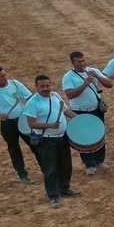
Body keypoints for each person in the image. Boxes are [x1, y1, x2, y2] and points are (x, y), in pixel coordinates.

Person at [23, 75, 81, 209]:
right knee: (50, 169)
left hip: (62, 137)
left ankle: (64, 188)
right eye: (42, 86)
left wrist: (79, 119)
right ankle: (54, 196)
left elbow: (66, 110)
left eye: (47, 86)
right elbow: (31, 123)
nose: (45, 89)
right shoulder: (33, 103)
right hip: (46, 140)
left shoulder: (55, 96)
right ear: (36, 87)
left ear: (51, 85)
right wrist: (49, 125)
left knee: (66, 165)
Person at [0, 65, 36, 184]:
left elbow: (30, 98)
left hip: (23, 120)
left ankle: (46, 169)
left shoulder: (15, 84)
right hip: (7, 124)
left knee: (35, 145)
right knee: (14, 149)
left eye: (5, 75)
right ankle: (22, 174)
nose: (5, 78)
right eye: (1, 76)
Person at [62, 51, 114, 175]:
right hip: (79, 111)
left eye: (83, 61)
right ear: (72, 63)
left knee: (99, 134)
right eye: (79, 62)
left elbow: (109, 84)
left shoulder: (93, 70)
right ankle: (89, 164)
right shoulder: (68, 77)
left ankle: (100, 161)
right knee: (84, 138)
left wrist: (98, 76)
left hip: (96, 109)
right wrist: (85, 84)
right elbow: (70, 95)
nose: (82, 64)